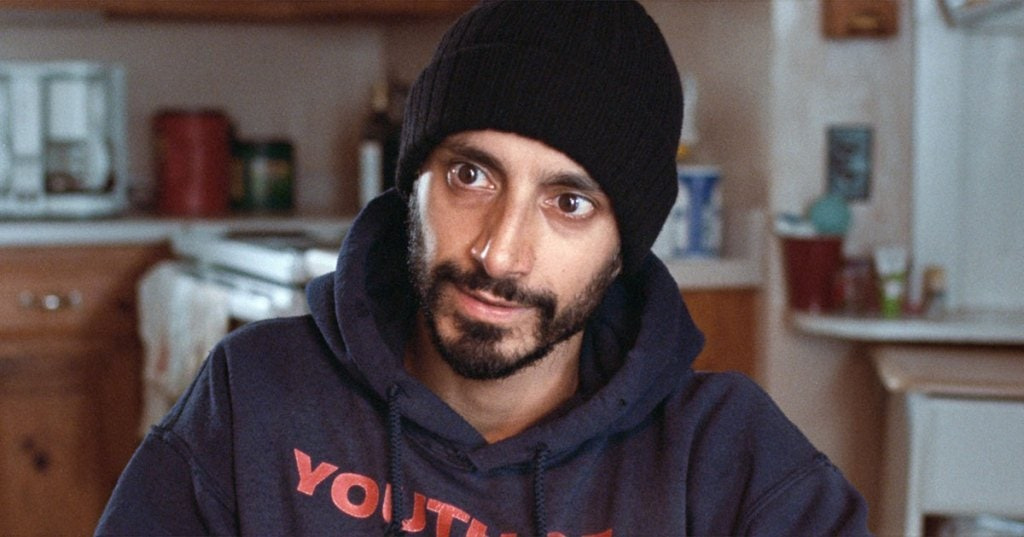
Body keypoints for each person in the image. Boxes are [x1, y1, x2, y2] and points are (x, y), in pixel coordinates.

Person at [96, 1, 870, 535]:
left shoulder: (727, 464)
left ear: (623, 247)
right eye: (471, 176)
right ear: (413, 183)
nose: (500, 252)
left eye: (569, 203)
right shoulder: (256, 399)